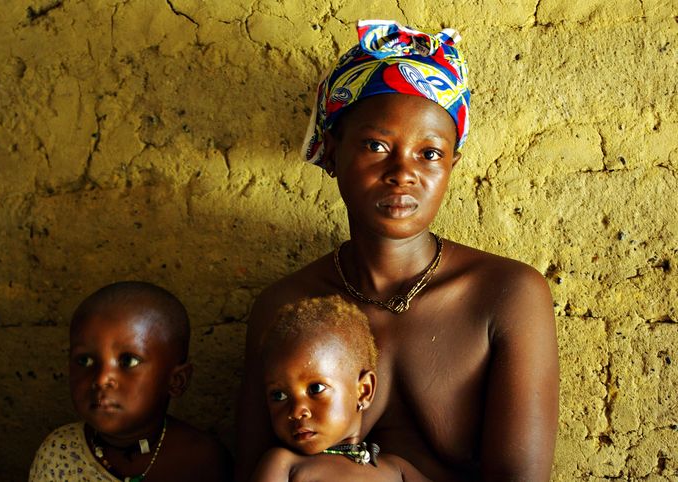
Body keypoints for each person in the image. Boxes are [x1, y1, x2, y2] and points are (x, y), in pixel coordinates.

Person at [237, 19, 559, 481]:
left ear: (452, 164)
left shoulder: (507, 295)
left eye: (429, 153)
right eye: (376, 145)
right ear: (331, 153)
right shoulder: (286, 308)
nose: (402, 172)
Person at [29, 281, 231, 482]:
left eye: (128, 361)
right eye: (85, 360)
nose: (101, 379)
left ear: (176, 381)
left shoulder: (201, 461)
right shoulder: (59, 453)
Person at [250, 295, 430, 482]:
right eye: (279, 395)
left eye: (315, 389)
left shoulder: (396, 469)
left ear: (364, 391)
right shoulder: (284, 464)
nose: (296, 411)